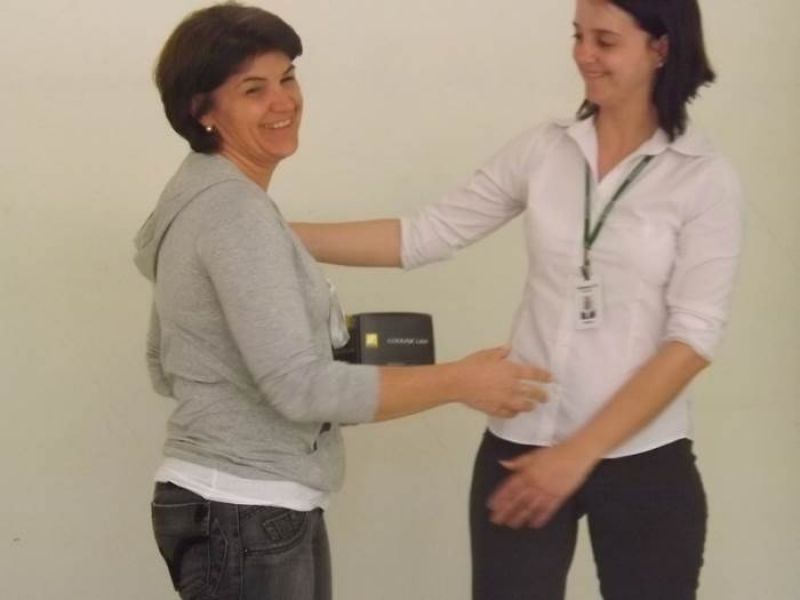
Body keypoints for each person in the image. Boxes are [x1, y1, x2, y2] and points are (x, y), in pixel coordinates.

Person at [292, 0, 745, 598]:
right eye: (578, 35)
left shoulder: (703, 177)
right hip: (523, 446)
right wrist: (272, 232)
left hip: (644, 459)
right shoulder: (545, 149)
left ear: (660, 48)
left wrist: (577, 454)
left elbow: (693, 339)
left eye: (605, 41)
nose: (584, 55)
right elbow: (426, 234)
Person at [133, 4, 550, 600]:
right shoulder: (235, 215)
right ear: (203, 111)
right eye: (254, 89)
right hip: (247, 507)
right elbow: (300, 389)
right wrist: (460, 380)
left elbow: (163, 362)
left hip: (232, 501)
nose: (283, 101)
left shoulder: (196, 201)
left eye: (287, 78)